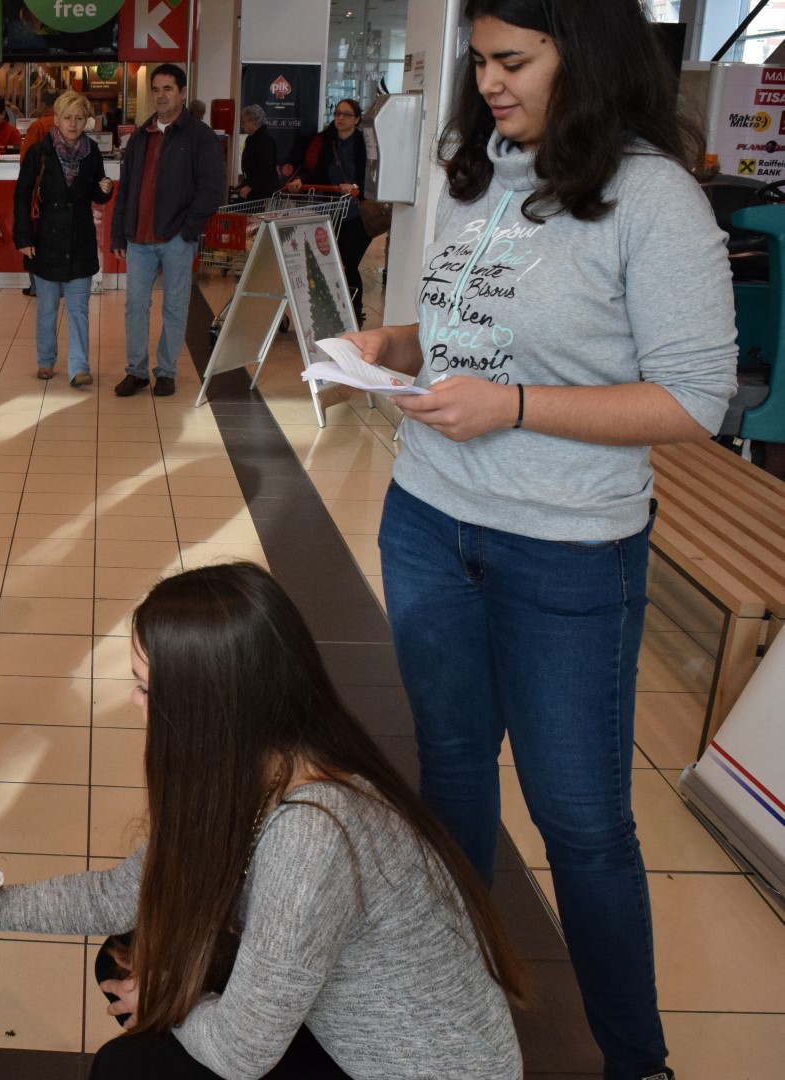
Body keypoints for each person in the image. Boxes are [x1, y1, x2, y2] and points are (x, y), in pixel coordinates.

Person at [348, 2, 738, 1076]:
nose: (489, 86)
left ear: (591, 57)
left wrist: (512, 408)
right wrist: (398, 343)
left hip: (565, 550)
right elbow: (480, 331)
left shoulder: (654, 199)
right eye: (479, 64)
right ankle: (447, 1005)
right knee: (453, 778)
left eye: (512, 62)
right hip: (428, 522)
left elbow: (696, 397)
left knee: (583, 826)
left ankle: (636, 1059)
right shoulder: (484, 175)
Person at [0, 562, 524, 1079]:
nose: (135, 703)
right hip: (345, 1029)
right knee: (128, 948)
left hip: (412, 1067)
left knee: (130, 1068)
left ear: (205, 706)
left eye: (146, 687)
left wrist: (168, 999)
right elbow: (119, 892)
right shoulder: (256, 766)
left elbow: (240, 1053)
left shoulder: (311, 833)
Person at [110, 63, 226, 398]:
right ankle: (136, 372)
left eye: (168, 89)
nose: (161, 96)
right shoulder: (140, 137)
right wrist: (120, 234)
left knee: (175, 306)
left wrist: (188, 232)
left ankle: (166, 371)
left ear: (183, 92)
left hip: (177, 238)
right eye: (156, 89)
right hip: (139, 239)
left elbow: (211, 190)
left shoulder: (200, 136)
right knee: (135, 306)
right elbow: (127, 189)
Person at [14, 90, 113, 388]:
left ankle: (79, 367)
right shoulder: (39, 152)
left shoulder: (92, 152)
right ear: (56, 119)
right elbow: (22, 195)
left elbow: (96, 193)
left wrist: (105, 190)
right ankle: (46, 360)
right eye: (67, 117)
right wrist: (23, 237)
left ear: (86, 121)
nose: (73, 123)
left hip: (80, 240)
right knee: (46, 307)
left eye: (79, 118)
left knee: (79, 308)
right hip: (45, 239)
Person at [284, 99, 374, 321]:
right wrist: (300, 181)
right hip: (332, 212)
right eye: (337, 113)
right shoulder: (327, 143)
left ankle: (354, 312)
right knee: (332, 263)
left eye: (346, 114)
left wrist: (356, 188)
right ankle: (336, 311)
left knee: (348, 263)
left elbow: (372, 177)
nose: (340, 118)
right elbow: (316, 172)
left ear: (357, 119)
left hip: (358, 215)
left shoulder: (364, 145)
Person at [236, 104, 280, 201]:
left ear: (254, 122)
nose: (243, 125)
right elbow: (253, 167)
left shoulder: (265, 139)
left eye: (244, 122)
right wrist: (244, 183)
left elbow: (266, 169)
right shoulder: (251, 138)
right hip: (255, 189)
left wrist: (249, 186)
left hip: (264, 193)